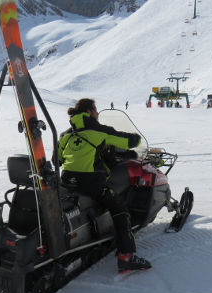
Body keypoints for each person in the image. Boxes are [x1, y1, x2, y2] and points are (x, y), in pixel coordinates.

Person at [58, 98, 152, 273]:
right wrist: (136, 138)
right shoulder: (98, 130)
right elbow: (128, 141)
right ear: (89, 111)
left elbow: (58, 159)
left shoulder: (66, 134)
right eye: (95, 109)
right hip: (91, 183)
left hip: (67, 181)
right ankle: (126, 257)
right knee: (120, 209)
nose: (97, 113)